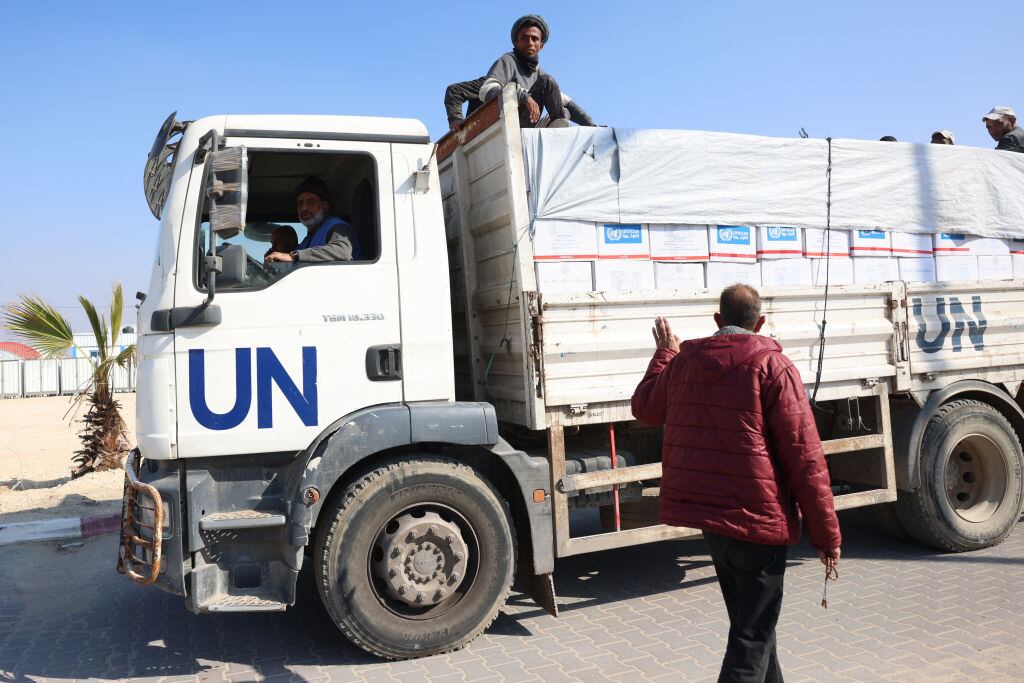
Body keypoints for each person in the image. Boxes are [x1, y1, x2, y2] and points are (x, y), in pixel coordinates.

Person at [631, 284, 842, 683]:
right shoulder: (773, 365)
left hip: (714, 524)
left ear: (717, 320)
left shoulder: (683, 363)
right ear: (760, 323)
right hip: (758, 522)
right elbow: (805, 458)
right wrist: (827, 535)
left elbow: (645, 407)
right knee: (752, 635)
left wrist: (664, 354)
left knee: (754, 628)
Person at [478, 15, 570, 129]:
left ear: (541, 46)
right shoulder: (508, 60)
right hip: (509, 122)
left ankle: (558, 134)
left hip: (531, 122)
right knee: (547, 81)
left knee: (565, 112)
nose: (530, 43)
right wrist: (523, 97)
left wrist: (589, 124)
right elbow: (486, 90)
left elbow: (567, 103)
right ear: (516, 42)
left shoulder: (540, 73)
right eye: (524, 38)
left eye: (534, 39)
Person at [444, 77, 596, 132]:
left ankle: (554, 140)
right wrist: (456, 119)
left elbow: (567, 102)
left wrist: (592, 126)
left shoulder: (535, 84)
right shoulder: (491, 83)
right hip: (489, 130)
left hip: (521, 131)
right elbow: (455, 90)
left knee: (564, 111)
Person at [265, 177, 362, 263]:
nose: (304, 208)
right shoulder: (307, 241)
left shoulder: (338, 227)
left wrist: (292, 256)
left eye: (310, 202)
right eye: (300, 203)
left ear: (325, 206)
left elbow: (342, 251)